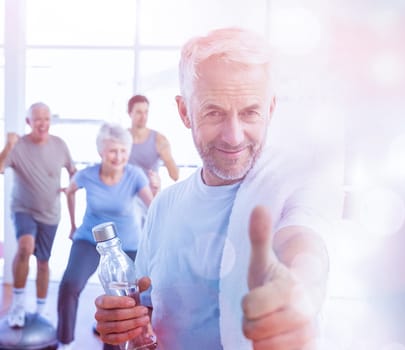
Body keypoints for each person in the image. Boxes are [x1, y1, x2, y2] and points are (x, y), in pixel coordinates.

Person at [94, 27, 342, 349]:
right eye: (214, 112)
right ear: (185, 112)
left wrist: (299, 289)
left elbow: (302, 239)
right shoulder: (164, 206)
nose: (233, 136)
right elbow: (148, 311)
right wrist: (126, 324)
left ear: (270, 109)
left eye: (250, 112)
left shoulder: (295, 187)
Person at [57, 123, 153, 350]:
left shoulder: (135, 175)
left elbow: (154, 206)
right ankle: (65, 341)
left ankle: (115, 345)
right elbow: (69, 191)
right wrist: (72, 224)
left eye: (123, 151)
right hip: (90, 240)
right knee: (69, 285)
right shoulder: (87, 175)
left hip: (128, 244)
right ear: (101, 151)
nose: (118, 157)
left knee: (124, 301)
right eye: (112, 150)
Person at [0, 102, 76, 328]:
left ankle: (41, 310)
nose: (43, 123)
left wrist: (72, 187)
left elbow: (73, 174)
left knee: (43, 262)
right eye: (37, 119)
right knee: (24, 247)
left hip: (51, 213)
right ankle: (18, 306)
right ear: (28, 122)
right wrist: (8, 145)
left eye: (47, 118)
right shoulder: (18, 146)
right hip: (23, 209)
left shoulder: (60, 145)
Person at [126, 94, 179, 195]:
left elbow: (175, 176)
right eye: (139, 112)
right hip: (126, 197)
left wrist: (167, 159)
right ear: (130, 113)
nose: (143, 117)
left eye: (146, 112)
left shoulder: (159, 139)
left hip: (149, 196)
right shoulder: (121, 139)